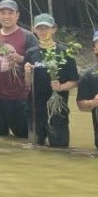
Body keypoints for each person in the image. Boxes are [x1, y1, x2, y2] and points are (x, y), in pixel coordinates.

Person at [0, 0, 38, 138]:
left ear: (17, 15)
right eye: (3, 13)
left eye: (10, 13)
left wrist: (21, 59)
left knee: (24, 137)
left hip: (20, 98)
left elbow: (37, 64)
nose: (6, 16)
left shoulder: (28, 37)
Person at [24, 14, 79, 149]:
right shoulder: (30, 53)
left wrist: (61, 87)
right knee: (34, 149)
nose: (43, 31)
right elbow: (27, 84)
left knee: (60, 149)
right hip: (35, 110)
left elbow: (75, 81)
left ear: (54, 29)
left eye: (46, 28)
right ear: (34, 30)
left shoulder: (65, 53)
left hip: (57, 109)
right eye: (39, 28)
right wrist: (27, 72)